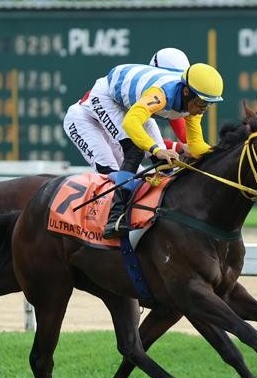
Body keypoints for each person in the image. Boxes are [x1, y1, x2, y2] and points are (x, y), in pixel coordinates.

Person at [65, 56, 224, 238]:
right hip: (103, 100)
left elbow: (196, 147)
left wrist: (222, 155)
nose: (204, 108)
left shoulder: (194, 104)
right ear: (187, 92)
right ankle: (115, 217)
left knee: (160, 162)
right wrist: (157, 149)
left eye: (210, 104)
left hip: (128, 103)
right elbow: (131, 123)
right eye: (203, 102)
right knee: (134, 152)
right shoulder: (161, 95)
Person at [63, 47, 191, 175]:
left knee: (142, 177)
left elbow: (183, 138)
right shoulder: (157, 92)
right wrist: (179, 147)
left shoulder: (166, 94)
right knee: (111, 172)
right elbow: (141, 138)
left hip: (115, 123)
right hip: (85, 120)